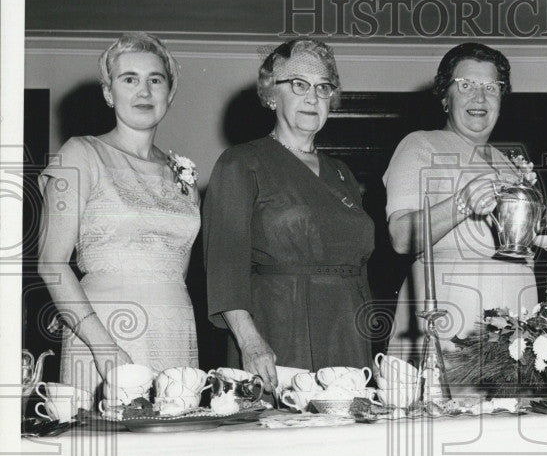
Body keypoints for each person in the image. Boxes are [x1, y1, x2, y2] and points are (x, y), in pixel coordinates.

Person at [203, 39, 374, 392]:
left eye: (323, 87)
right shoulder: (241, 162)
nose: (312, 97)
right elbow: (224, 264)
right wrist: (250, 342)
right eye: (298, 84)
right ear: (270, 94)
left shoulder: (341, 173)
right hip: (278, 330)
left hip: (347, 332)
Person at [38, 32, 200, 397]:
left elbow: (178, 272)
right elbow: (52, 264)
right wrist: (103, 346)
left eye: (155, 80)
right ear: (109, 93)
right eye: (130, 79)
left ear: (169, 94)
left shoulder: (183, 174)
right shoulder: (80, 154)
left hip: (175, 334)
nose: (144, 92)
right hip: (104, 337)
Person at [383, 42, 537, 363]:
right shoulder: (419, 144)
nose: (479, 97)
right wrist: (463, 203)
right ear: (444, 97)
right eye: (465, 85)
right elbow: (400, 237)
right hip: (450, 316)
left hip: (514, 321)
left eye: (490, 87)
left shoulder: (510, 163)